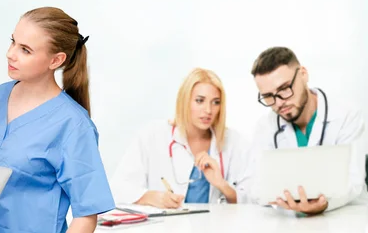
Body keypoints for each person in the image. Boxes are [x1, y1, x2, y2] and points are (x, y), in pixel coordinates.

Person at [0, 7, 115, 233]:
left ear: (56, 60)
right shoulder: (0, 95)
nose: (10, 53)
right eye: (13, 42)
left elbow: (86, 216)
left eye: (25, 50)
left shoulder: (73, 124)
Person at [248, 46, 368, 215]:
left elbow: (354, 182)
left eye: (284, 89)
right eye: (268, 96)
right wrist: (284, 200)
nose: (279, 103)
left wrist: (324, 203)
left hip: (344, 218)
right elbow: (256, 187)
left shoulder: (347, 116)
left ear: (303, 74)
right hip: (290, 223)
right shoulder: (265, 127)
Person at [111, 68, 252, 209]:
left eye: (215, 102)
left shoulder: (234, 142)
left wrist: (221, 184)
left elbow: (253, 201)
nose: (208, 110)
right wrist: (150, 197)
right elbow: (118, 188)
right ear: (184, 101)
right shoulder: (153, 135)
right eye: (199, 101)